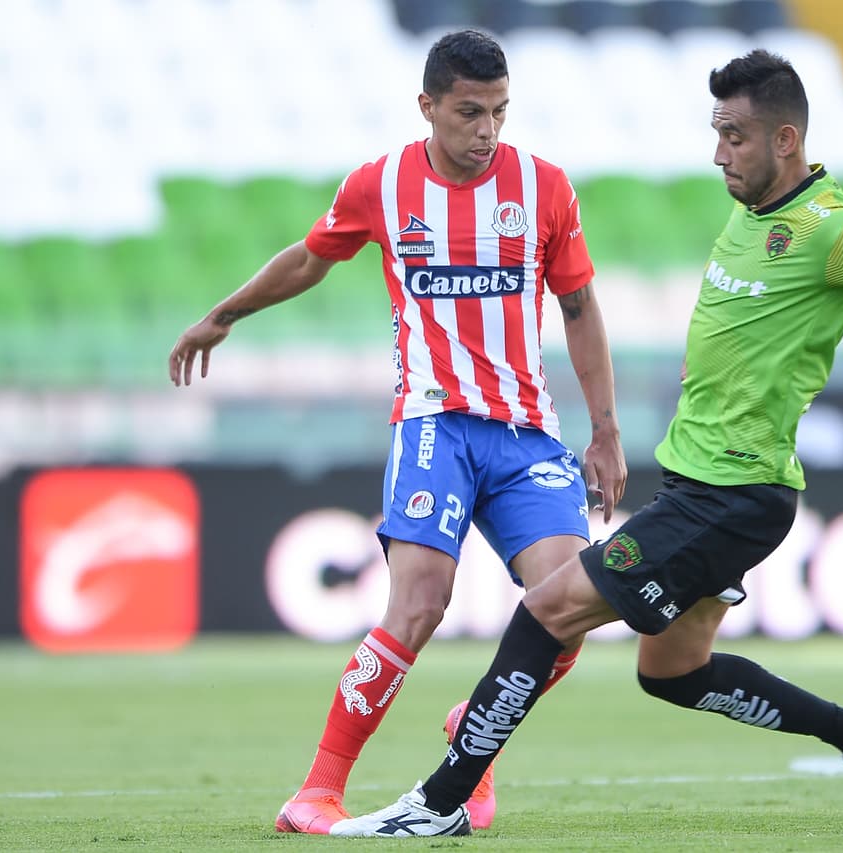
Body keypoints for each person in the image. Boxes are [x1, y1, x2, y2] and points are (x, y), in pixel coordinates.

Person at [329, 49, 843, 838]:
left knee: (546, 609)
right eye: (717, 134)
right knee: (673, 673)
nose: (721, 153)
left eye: (735, 136)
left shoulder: (837, 230)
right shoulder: (749, 212)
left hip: (733, 498)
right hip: (700, 491)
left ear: (785, 139)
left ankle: (439, 802)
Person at [167, 29, 627, 835]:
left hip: (524, 434)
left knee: (571, 608)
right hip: (432, 426)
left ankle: (473, 727)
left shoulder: (544, 187)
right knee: (418, 603)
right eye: (470, 113)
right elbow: (312, 258)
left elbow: (580, 308)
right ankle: (316, 790)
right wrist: (223, 315)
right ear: (429, 107)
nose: (488, 131)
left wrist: (606, 430)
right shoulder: (380, 184)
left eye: (501, 112)